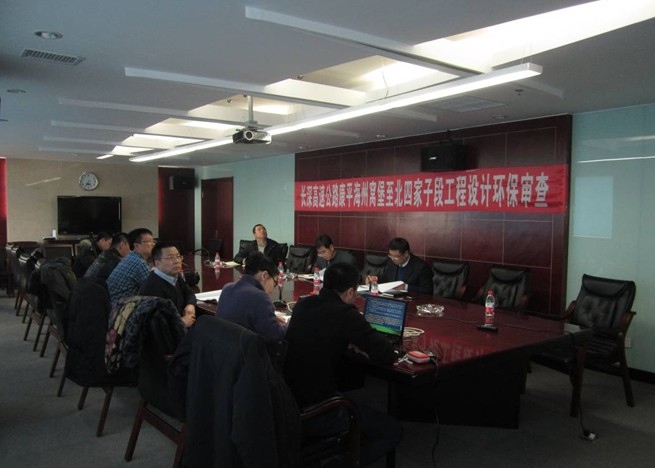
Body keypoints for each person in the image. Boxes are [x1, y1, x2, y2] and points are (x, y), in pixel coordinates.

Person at [284, 262, 402, 466]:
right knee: (391, 431)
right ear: (350, 292)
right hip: (316, 410)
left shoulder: (303, 304)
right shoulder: (345, 314)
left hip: (287, 401)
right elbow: (386, 354)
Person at [216, 251, 285, 340]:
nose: (272, 290)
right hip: (244, 348)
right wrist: (290, 323)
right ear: (264, 275)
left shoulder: (227, 288)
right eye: (274, 283)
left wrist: (268, 316)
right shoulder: (260, 297)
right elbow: (278, 336)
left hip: (222, 345)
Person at [139, 242, 196, 328]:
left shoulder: (174, 276)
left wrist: (190, 305)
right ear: (157, 263)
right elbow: (156, 326)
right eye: (170, 258)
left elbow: (189, 292)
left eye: (178, 256)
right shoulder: (152, 287)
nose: (177, 261)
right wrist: (181, 323)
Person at [106, 228, 155, 307]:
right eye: (149, 241)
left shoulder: (130, 257)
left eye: (153, 241)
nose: (153, 244)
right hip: (121, 310)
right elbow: (153, 290)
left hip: (113, 305)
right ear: (136, 245)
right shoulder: (139, 263)